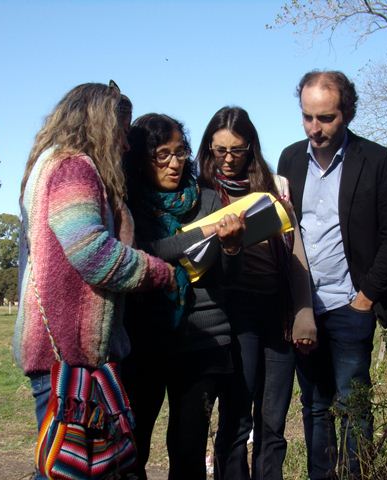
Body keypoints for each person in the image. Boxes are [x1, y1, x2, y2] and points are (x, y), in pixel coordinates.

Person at [12, 82, 176, 480]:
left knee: (70, 465)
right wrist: (159, 272)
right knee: (71, 469)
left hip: (63, 353)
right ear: (100, 124)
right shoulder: (73, 168)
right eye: (120, 131)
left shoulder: (48, 165)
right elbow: (93, 254)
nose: (123, 145)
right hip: (68, 356)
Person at [277, 71, 387, 479]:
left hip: (351, 306)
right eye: (307, 117)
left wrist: (365, 298)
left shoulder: (376, 160)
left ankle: (358, 475)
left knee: (354, 405)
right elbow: (284, 228)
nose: (314, 129)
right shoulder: (288, 159)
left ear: (347, 113)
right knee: (314, 405)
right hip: (305, 308)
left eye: (326, 118)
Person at [121, 113, 245, 480]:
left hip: (202, 341)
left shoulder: (207, 200)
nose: (175, 163)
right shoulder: (128, 206)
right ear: (141, 157)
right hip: (144, 341)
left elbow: (228, 277)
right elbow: (141, 251)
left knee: (188, 449)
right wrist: (201, 233)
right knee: (133, 444)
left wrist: (233, 249)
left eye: (180, 152)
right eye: (162, 154)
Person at [196, 106, 317, 480]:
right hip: (233, 314)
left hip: (276, 313)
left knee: (273, 419)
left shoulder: (274, 188)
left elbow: (296, 251)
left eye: (237, 150)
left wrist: (304, 313)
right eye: (220, 151)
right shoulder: (200, 192)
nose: (229, 160)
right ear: (209, 149)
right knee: (235, 419)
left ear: (251, 146)